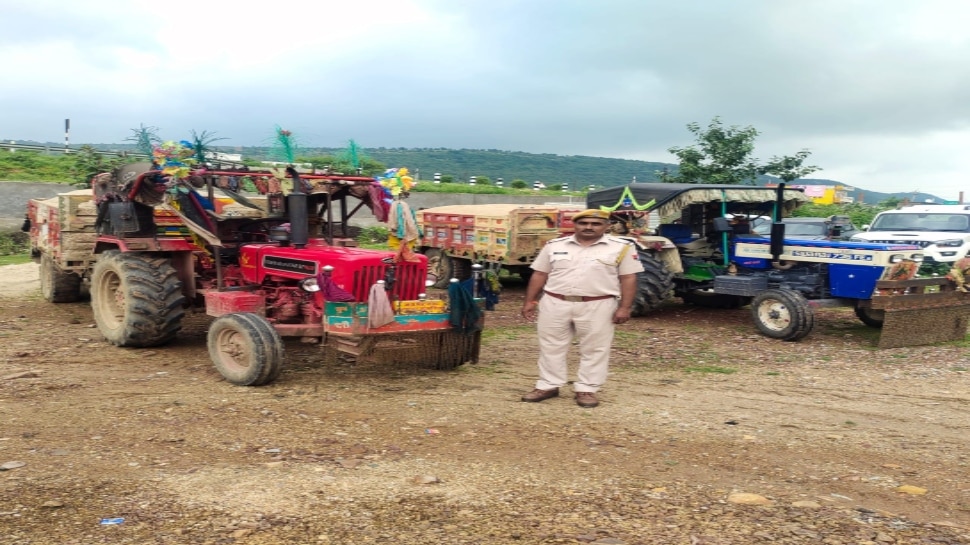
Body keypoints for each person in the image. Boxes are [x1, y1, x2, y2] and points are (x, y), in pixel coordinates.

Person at [520, 209, 644, 408]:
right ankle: (549, 385)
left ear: (606, 226)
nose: (588, 227)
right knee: (551, 346)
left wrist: (625, 307)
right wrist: (530, 301)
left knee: (595, 349)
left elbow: (628, 278)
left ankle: (587, 388)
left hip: (598, 304)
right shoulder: (555, 245)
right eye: (583, 223)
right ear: (575, 225)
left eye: (595, 224)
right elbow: (540, 274)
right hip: (555, 302)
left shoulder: (621, 248)